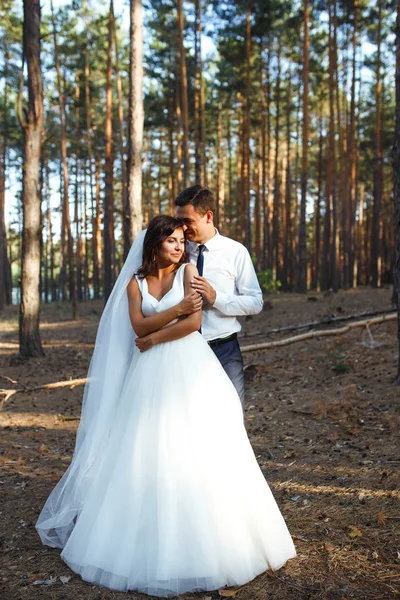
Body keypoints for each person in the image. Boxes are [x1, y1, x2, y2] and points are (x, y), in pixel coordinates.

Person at [36, 216, 296, 597]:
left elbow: (192, 324)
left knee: (197, 444)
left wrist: (159, 330)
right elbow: (137, 328)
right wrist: (161, 325)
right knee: (145, 445)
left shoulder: (190, 271)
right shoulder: (134, 283)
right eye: (171, 241)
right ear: (154, 244)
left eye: (181, 240)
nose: (179, 246)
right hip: (149, 372)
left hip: (189, 365)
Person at [175, 185, 263, 407]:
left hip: (225, 351)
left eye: (188, 221)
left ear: (208, 216)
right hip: (183, 349)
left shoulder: (236, 252)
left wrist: (216, 298)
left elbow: (255, 302)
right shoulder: (176, 252)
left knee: (231, 417)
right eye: (179, 221)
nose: (183, 228)